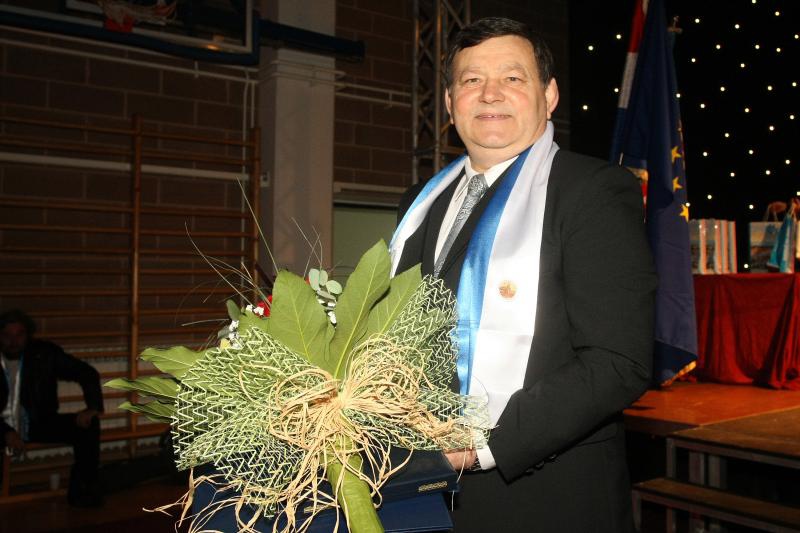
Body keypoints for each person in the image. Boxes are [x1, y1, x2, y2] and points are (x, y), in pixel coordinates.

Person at [391, 17, 656, 532]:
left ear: (549, 94)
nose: (490, 94)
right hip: (419, 490)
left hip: (546, 495)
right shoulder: (418, 205)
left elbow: (617, 361)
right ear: (449, 103)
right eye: (470, 80)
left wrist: (478, 444)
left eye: (512, 78)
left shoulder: (594, 192)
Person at [0, 309, 104, 507]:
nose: (13, 341)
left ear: (27, 335)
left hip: (38, 421)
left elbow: (87, 373)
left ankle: (83, 493)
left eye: (19, 334)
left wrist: (92, 408)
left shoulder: (44, 354)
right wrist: (6, 432)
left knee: (88, 428)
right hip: (2, 426)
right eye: (7, 335)